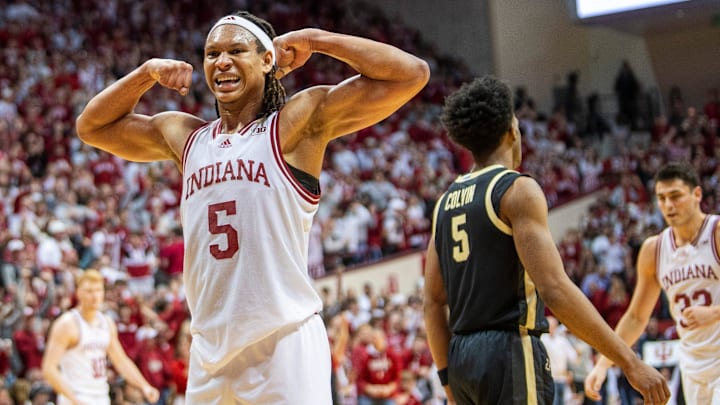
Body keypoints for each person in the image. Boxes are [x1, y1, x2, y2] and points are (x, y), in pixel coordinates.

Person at [75, 10, 429, 404]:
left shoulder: (294, 126)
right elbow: (92, 127)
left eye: (236, 50)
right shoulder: (185, 136)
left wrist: (315, 39)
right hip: (209, 352)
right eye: (211, 54)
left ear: (267, 61)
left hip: (284, 345)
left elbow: (410, 73)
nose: (221, 61)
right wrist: (146, 74)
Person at [422, 75, 670, 405]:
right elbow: (554, 288)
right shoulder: (516, 189)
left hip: (462, 358)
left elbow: (432, 303)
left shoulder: (444, 202)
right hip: (509, 350)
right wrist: (630, 361)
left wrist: (448, 381)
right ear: (512, 130)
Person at [585, 161, 720, 404]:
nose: (668, 205)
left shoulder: (716, 232)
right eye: (662, 198)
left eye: (676, 196)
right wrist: (604, 362)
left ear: (697, 194)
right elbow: (636, 317)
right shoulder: (653, 249)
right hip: (692, 361)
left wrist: (715, 313)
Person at [41, 269, 159, 405]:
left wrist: (144, 386)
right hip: (76, 396)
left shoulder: (107, 323)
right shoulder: (67, 324)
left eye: (98, 290)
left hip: (101, 396)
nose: (94, 296)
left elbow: (121, 361)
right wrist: (74, 400)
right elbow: (49, 369)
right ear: (79, 293)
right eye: (89, 291)